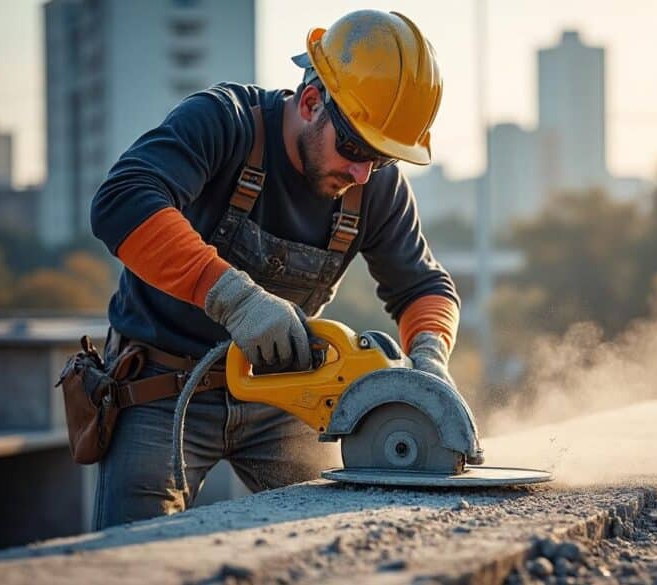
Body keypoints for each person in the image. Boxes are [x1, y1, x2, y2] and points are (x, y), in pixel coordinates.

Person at [89, 10, 459, 529]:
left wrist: (429, 358)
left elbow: (423, 285)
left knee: (335, 536)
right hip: (160, 388)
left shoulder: (373, 186)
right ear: (311, 102)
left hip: (288, 394)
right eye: (354, 147)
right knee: (131, 550)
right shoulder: (224, 123)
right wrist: (235, 299)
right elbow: (122, 201)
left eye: (381, 158)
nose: (361, 174)